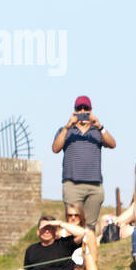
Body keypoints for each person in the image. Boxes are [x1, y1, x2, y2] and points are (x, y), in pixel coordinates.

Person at [51, 96, 116, 230]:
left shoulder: (97, 131)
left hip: (94, 186)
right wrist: (68, 126)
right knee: (73, 225)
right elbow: (55, 148)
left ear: (90, 110)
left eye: (85, 108)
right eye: (79, 108)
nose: (82, 111)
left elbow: (112, 144)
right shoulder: (66, 130)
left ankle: (89, 244)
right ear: (74, 111)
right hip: (72, 185)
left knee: (90, 226)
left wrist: (99, 126)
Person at [62, 206, 102, 270]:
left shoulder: (88, 234)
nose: (73, 218)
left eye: (76, 215)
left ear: (81, 217)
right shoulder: (61, 234)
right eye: (70, 215)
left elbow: (94, 258)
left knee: (88, 256)